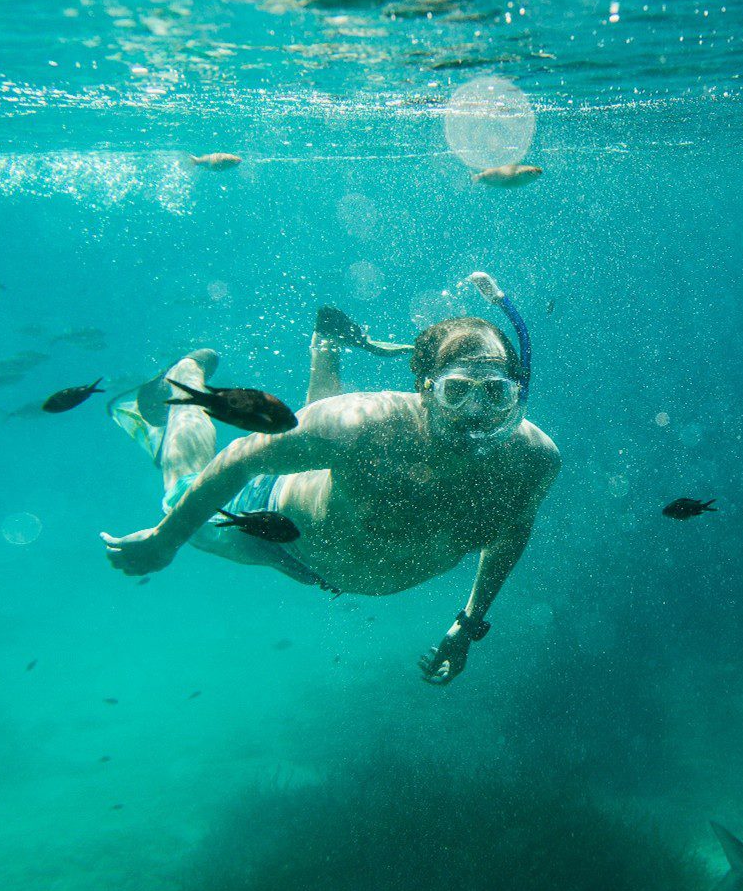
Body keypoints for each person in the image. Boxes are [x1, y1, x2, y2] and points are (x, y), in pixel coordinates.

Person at [101, 274, 559, 684]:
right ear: (424, 391)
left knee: (322, 445)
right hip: (275, 530)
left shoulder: (532, 460)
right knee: (181, 491)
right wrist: (166, 539)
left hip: (322, 546)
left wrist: (468, 623)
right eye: (456, 391)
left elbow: (511, 530)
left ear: (516, 393)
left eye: (495, 392)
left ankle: (326, 346)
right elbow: (240, 459)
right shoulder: (360, 426)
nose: (476, 413)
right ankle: (184, 380)